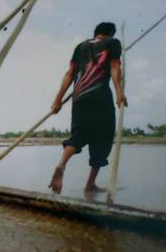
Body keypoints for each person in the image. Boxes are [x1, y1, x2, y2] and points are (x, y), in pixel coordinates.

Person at [48, 22, 127, 194]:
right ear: (110, 34)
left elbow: (70, 73)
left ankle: (61, 164)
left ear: (96, 33)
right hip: (100, 97)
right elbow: (114, 66)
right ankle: (90, 184)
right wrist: (119, 92)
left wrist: (58, 99)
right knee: (103, 139)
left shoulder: (81, 46)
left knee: (78, 136)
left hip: (79, 98)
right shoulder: (113, 43)